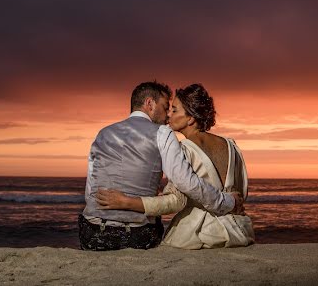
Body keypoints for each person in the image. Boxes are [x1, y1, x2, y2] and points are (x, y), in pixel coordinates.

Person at [80, 81, 244, 251]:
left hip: (92, 234)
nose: (167, 116)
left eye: (172, 110)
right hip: (136, 236)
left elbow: (90, 189)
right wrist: (227, 201)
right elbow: (185, 182)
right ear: (149, 103)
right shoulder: (163, 133)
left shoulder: (103, 133)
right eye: (166, 108)